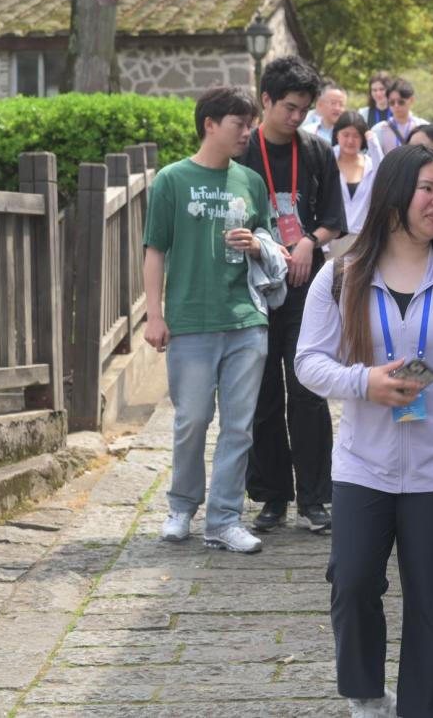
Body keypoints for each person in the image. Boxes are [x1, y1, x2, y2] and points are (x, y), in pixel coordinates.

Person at [295, 144, 433, 718]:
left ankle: (432, 708)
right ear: (394, 195)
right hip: (364, 463)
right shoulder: (342, 274)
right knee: (354, 580)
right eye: (428, 189)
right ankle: (366, 694)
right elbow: (308, 362)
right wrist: (365, 383)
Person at [144, 86, 280, 555]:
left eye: (249, 123)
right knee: (192, 419)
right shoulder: (171, 180)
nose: (247, 131)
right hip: (191, 320)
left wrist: (258, 243)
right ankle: (182, 505)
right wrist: (155, 315)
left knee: (240, 426)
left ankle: (224, 518)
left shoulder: (251, 182)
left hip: (246, 318)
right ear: (210, 124)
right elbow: (155, 249)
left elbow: (268, 235)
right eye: (239, 123)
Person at [238, 55, 348, 535]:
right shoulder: (241, 153)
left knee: (307, 392)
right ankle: (271, 496)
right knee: (261, 392)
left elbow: (333, 220)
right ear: (265, 100)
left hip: (307, 286)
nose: (296, 117)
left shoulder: (317, 150)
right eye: (288, 107)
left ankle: (315, 497)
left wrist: (308, 241)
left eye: (304, 108)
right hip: (254, 287)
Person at [331, 110, 378, 257]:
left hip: (363, 240)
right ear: (336, 134)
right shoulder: (327, 162)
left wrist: (374, 144)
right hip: (331, 238)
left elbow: (384, 175)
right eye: (346, 135)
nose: (350, 141)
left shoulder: (371, 165)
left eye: (356, 136)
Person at [373, 78, 427, 156]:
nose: (396, 106)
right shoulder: (379, 129)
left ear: (412, 100)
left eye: (401, 102)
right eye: (392, 102)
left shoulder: (423, 127)